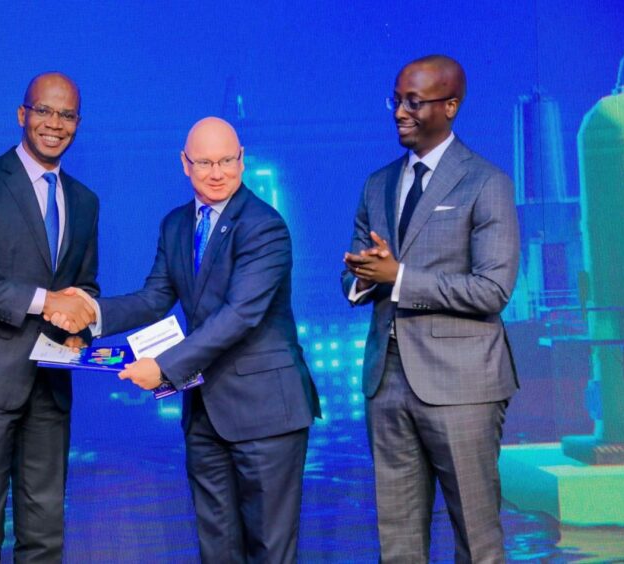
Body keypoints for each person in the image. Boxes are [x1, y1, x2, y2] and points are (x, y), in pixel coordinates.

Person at [56, 117, 321, 563]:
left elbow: (238, 316)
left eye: (227, 161)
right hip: (204, 414)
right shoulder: (176, 225)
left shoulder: (264, 226)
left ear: (242, 159)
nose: (217, 172)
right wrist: (90, 315)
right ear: (184, 164)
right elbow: (155, 296)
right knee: (216, 549)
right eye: (204, 162)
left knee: (270, 550)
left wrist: (163, 368)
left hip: (266, 416)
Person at [341, 55, 520, 563]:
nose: (400, 111)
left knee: (477, 540)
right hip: (386, 381)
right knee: (397, 542)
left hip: (463, 385)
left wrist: (399, 278)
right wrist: (362, 276)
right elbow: (355, 274)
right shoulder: (377, 184)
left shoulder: (486, 182)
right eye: (396, 99)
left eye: (414, 102)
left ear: (451, 106)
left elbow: (492, 290)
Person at [0, 72, 99, 563]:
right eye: (44, 110)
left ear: (77, 123)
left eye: (66, 115)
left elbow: (85, 286)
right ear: (21, 113)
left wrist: (80, 326)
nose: (54, 123)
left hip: (50, 386)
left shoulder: (86, 201)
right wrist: (44, 302)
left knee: (45, 530)